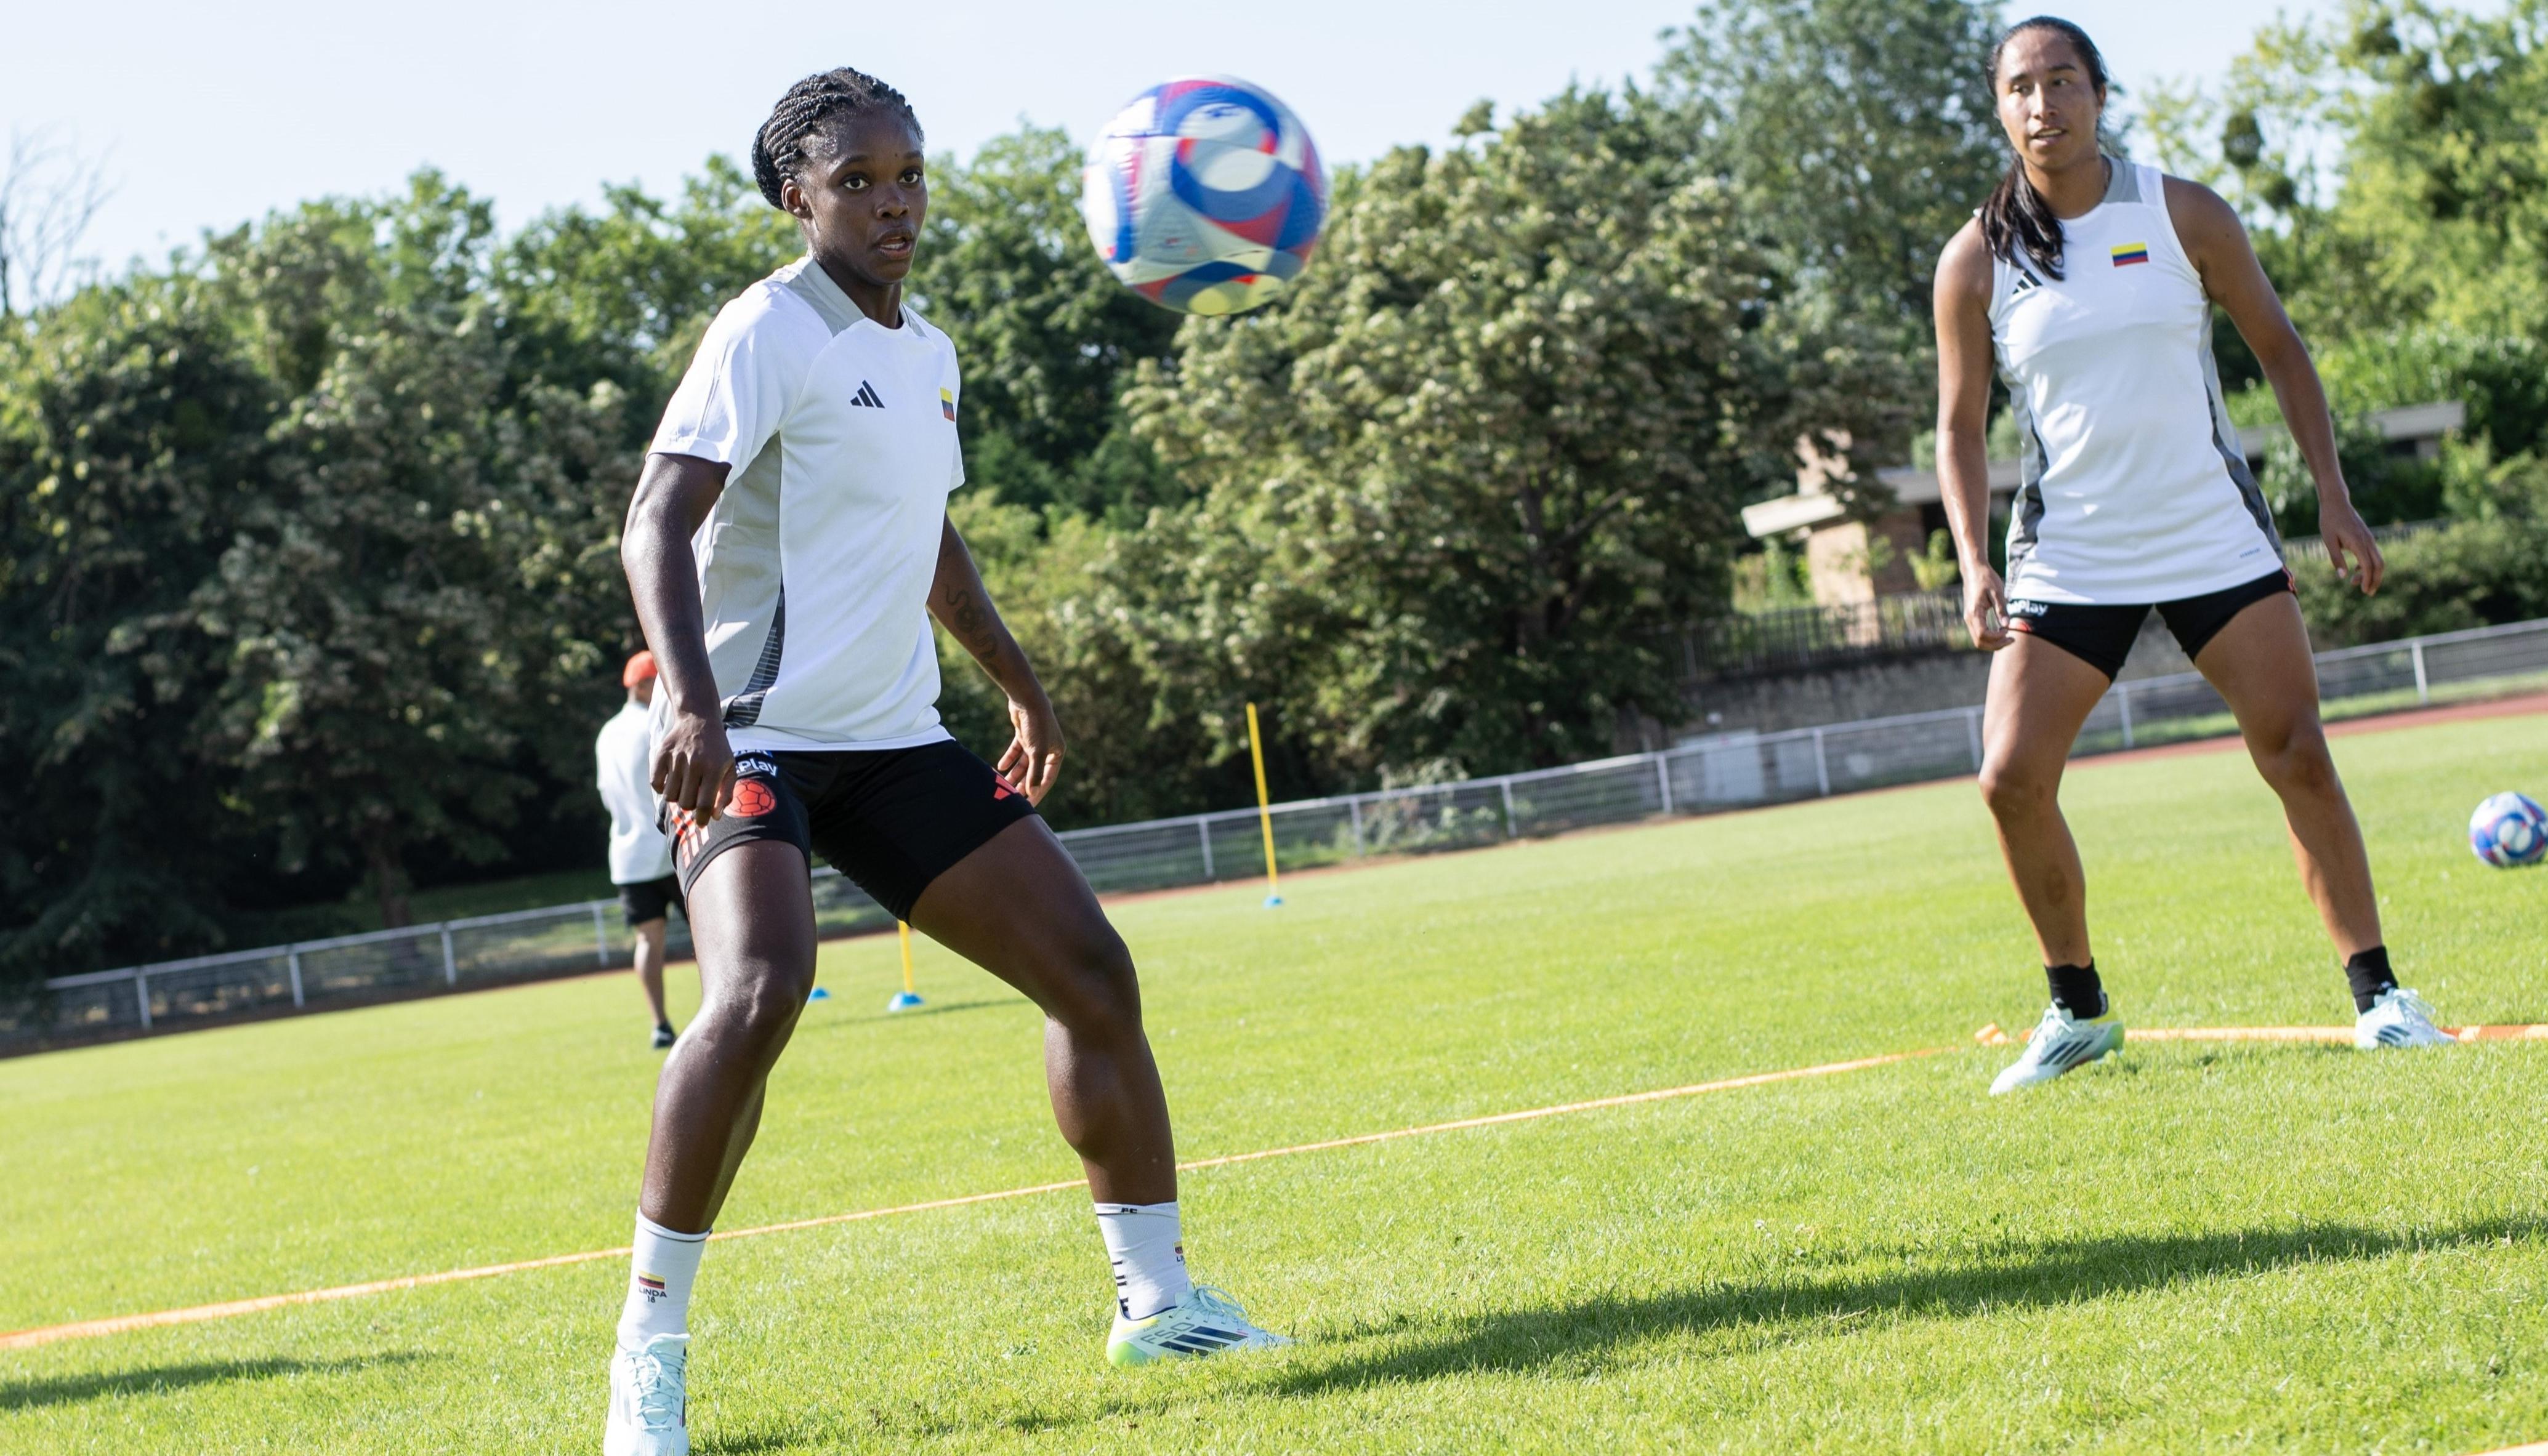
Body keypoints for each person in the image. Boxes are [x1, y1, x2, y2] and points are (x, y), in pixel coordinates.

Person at [603, 67, 1285, 1456]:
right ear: (795, 198)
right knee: (759, 987)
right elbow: (653, 522)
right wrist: (694, 706)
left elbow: (929, 544)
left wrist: (1020, 689)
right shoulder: (767, 329)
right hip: (758, 736)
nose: (892, 202)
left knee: (1091, 972)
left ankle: (1156, 1301)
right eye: (855, 180)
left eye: (907, 174)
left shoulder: (927, 354)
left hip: (895, 740)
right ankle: (646, 1355)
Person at [1932, 16, 2454, 1096]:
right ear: (1998, 107)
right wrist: (1974, 562)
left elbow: (2279, 350)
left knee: (2295, 752)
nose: (2043, 104)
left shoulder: (2181, 213)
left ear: (2098, 93)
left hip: (2208, 532)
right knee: (2007, 778)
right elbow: (1956, 426)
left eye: (2063, 81)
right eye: (2021, 87)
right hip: (2069, 553)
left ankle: (2380, 1001)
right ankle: (2076, 1012)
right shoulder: (1974, 257)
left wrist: (2333, 496)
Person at [597, 651, 685, 1050]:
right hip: (669, 845)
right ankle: (728, 1010)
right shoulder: (653, 722)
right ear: (646, 685)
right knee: (713, 929)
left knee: (648, 940)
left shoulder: (607, 733)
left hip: (628, 855)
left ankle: (660, 1024)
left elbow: (605, 794)